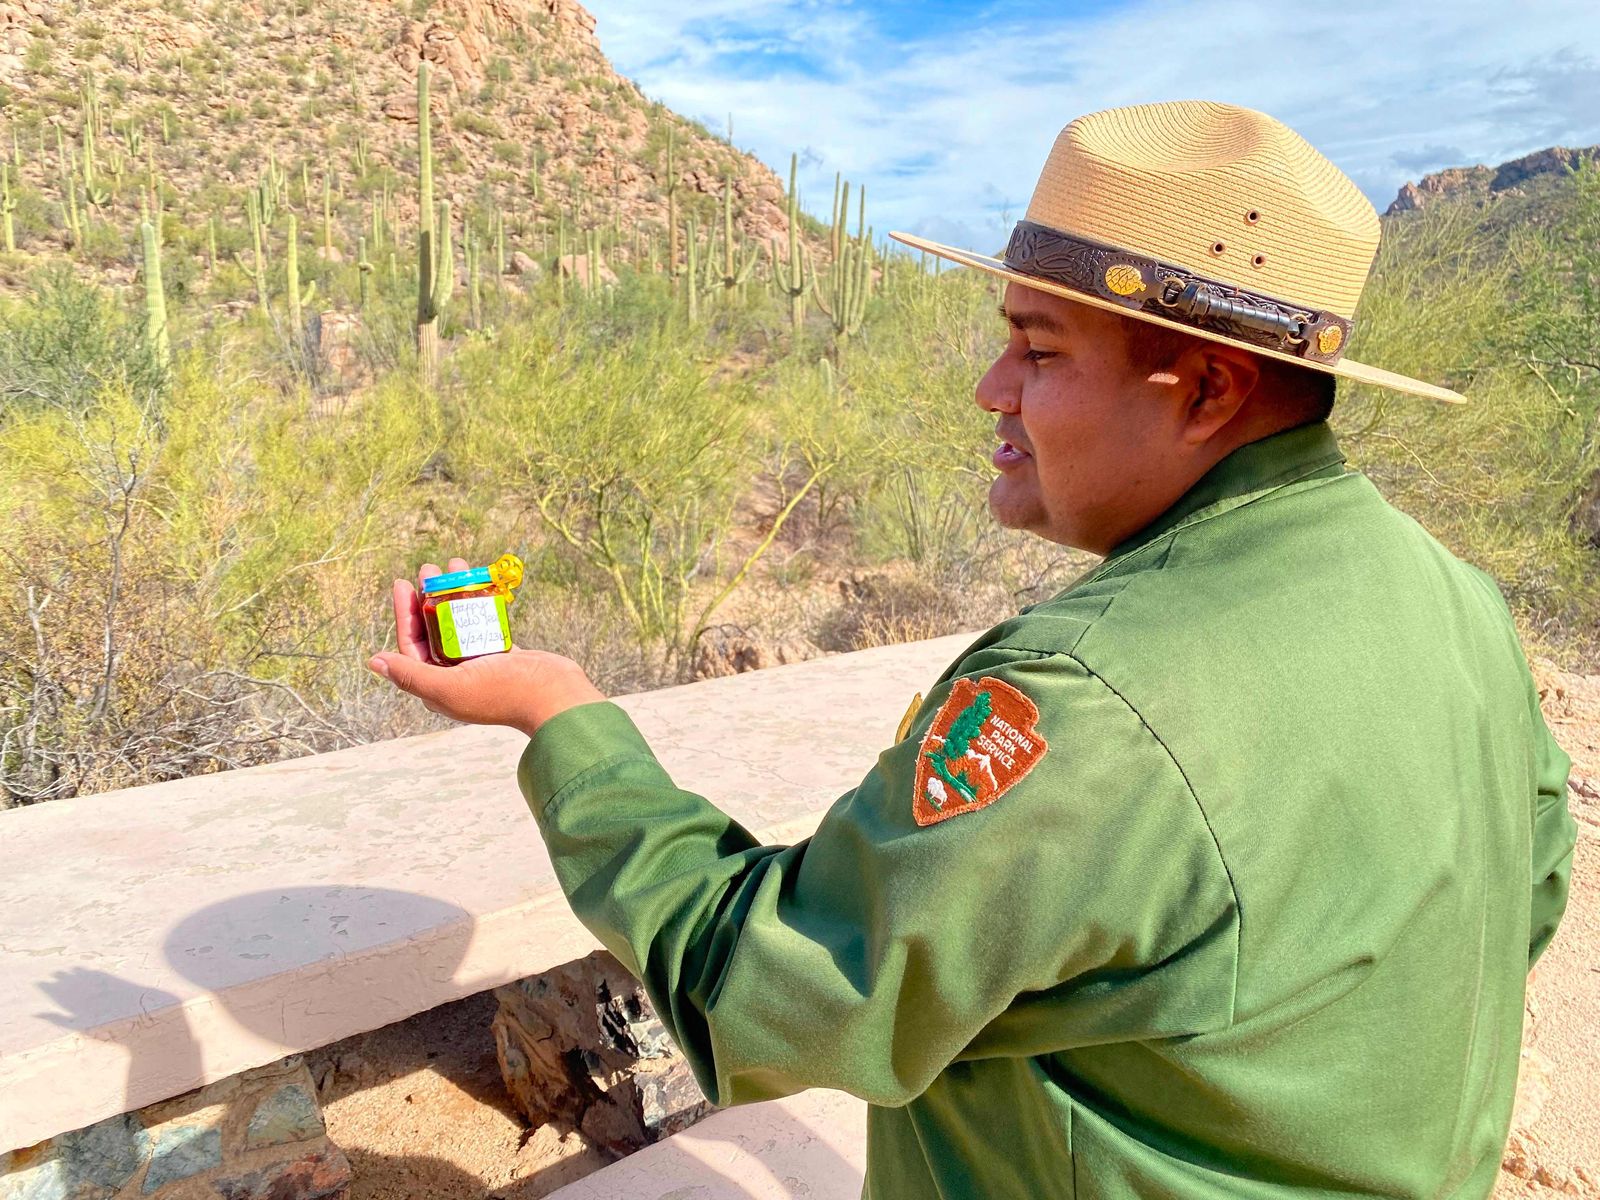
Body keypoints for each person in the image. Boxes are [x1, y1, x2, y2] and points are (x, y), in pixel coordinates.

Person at [367, 101, 1577, 1198]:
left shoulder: (1096, 701)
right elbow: (1524, 893)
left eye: (1040, 350)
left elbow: (762, 995)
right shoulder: (1454, 597)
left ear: (1206, 390)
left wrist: (563, 715)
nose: (992, 389)